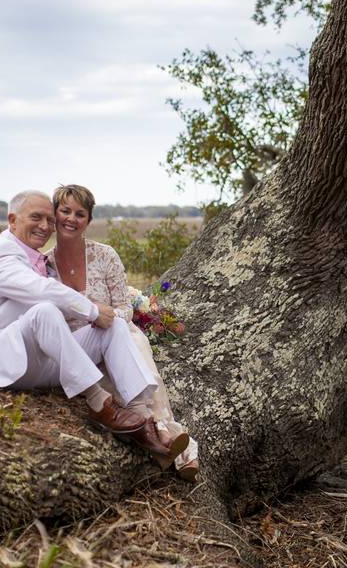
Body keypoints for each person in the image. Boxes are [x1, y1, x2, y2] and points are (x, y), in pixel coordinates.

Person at [0, 190, 188, 467]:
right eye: (36, 218)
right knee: (44, 310)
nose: (44, 226)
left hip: (39, 363)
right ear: (12, 220)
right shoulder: (2, 251)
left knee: (114, 327)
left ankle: (142, 423)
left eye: (49, 220)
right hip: (3, 359)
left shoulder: (41, 258)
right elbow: (38, 290)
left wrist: (100, 316)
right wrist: (91, 310)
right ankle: (99, 402)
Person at [48, 184, 200, 481]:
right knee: (116, 382)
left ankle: (168, 440)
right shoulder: (45, 265)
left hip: (117, 330)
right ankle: (171, 443)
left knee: (134, 347)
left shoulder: (105, 256)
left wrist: (103, 317)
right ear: (54, 215)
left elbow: (124, 309)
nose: (71, 219)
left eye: (80, 214)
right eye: (65, 211)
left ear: (89, 221)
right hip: (80, 346)